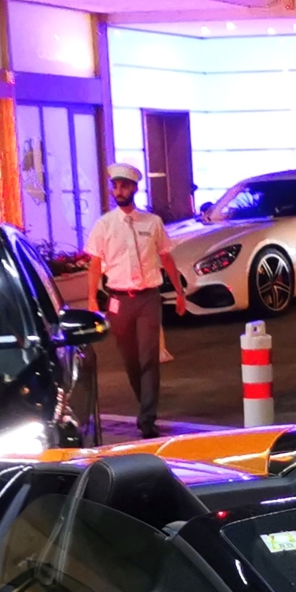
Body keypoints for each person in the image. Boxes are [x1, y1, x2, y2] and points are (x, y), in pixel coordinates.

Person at [86, 164, 189, 439]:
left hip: (147, 298)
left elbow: (166, 257)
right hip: (119, 300)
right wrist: (92, 299)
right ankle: (144, 402)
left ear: (134, 188)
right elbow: (95, 264)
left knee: (148, 358)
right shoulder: (104, 225)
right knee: (130, 360)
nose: (118, 191)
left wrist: (179, 292)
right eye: (115, 186)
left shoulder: (152, 222)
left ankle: (147, 418)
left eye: (124, 186)